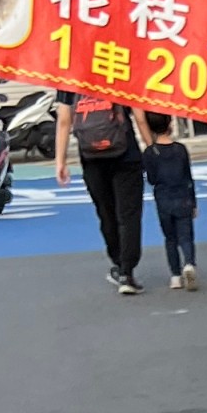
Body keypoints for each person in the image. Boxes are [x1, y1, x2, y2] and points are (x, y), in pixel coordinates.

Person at [54, 87, 145, 292]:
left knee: (106, 212)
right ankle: (127, 272)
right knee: (129, 214)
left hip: (91, 156)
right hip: (125, 152)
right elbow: (139, 115)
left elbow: (64, 120)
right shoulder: (118, 69)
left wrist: (60, 161)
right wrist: (151, 147)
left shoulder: (69, 77)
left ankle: (118, 262)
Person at [141, 113, 199, 290]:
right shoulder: (180, 149)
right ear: (170, 125)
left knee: (170, 238)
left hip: (163, 199)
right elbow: (188, 177)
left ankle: (175, 275)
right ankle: (189, 263)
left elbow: (152, 179)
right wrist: (194, 202)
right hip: (183, 197)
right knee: (186, 236)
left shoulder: (150, 153)